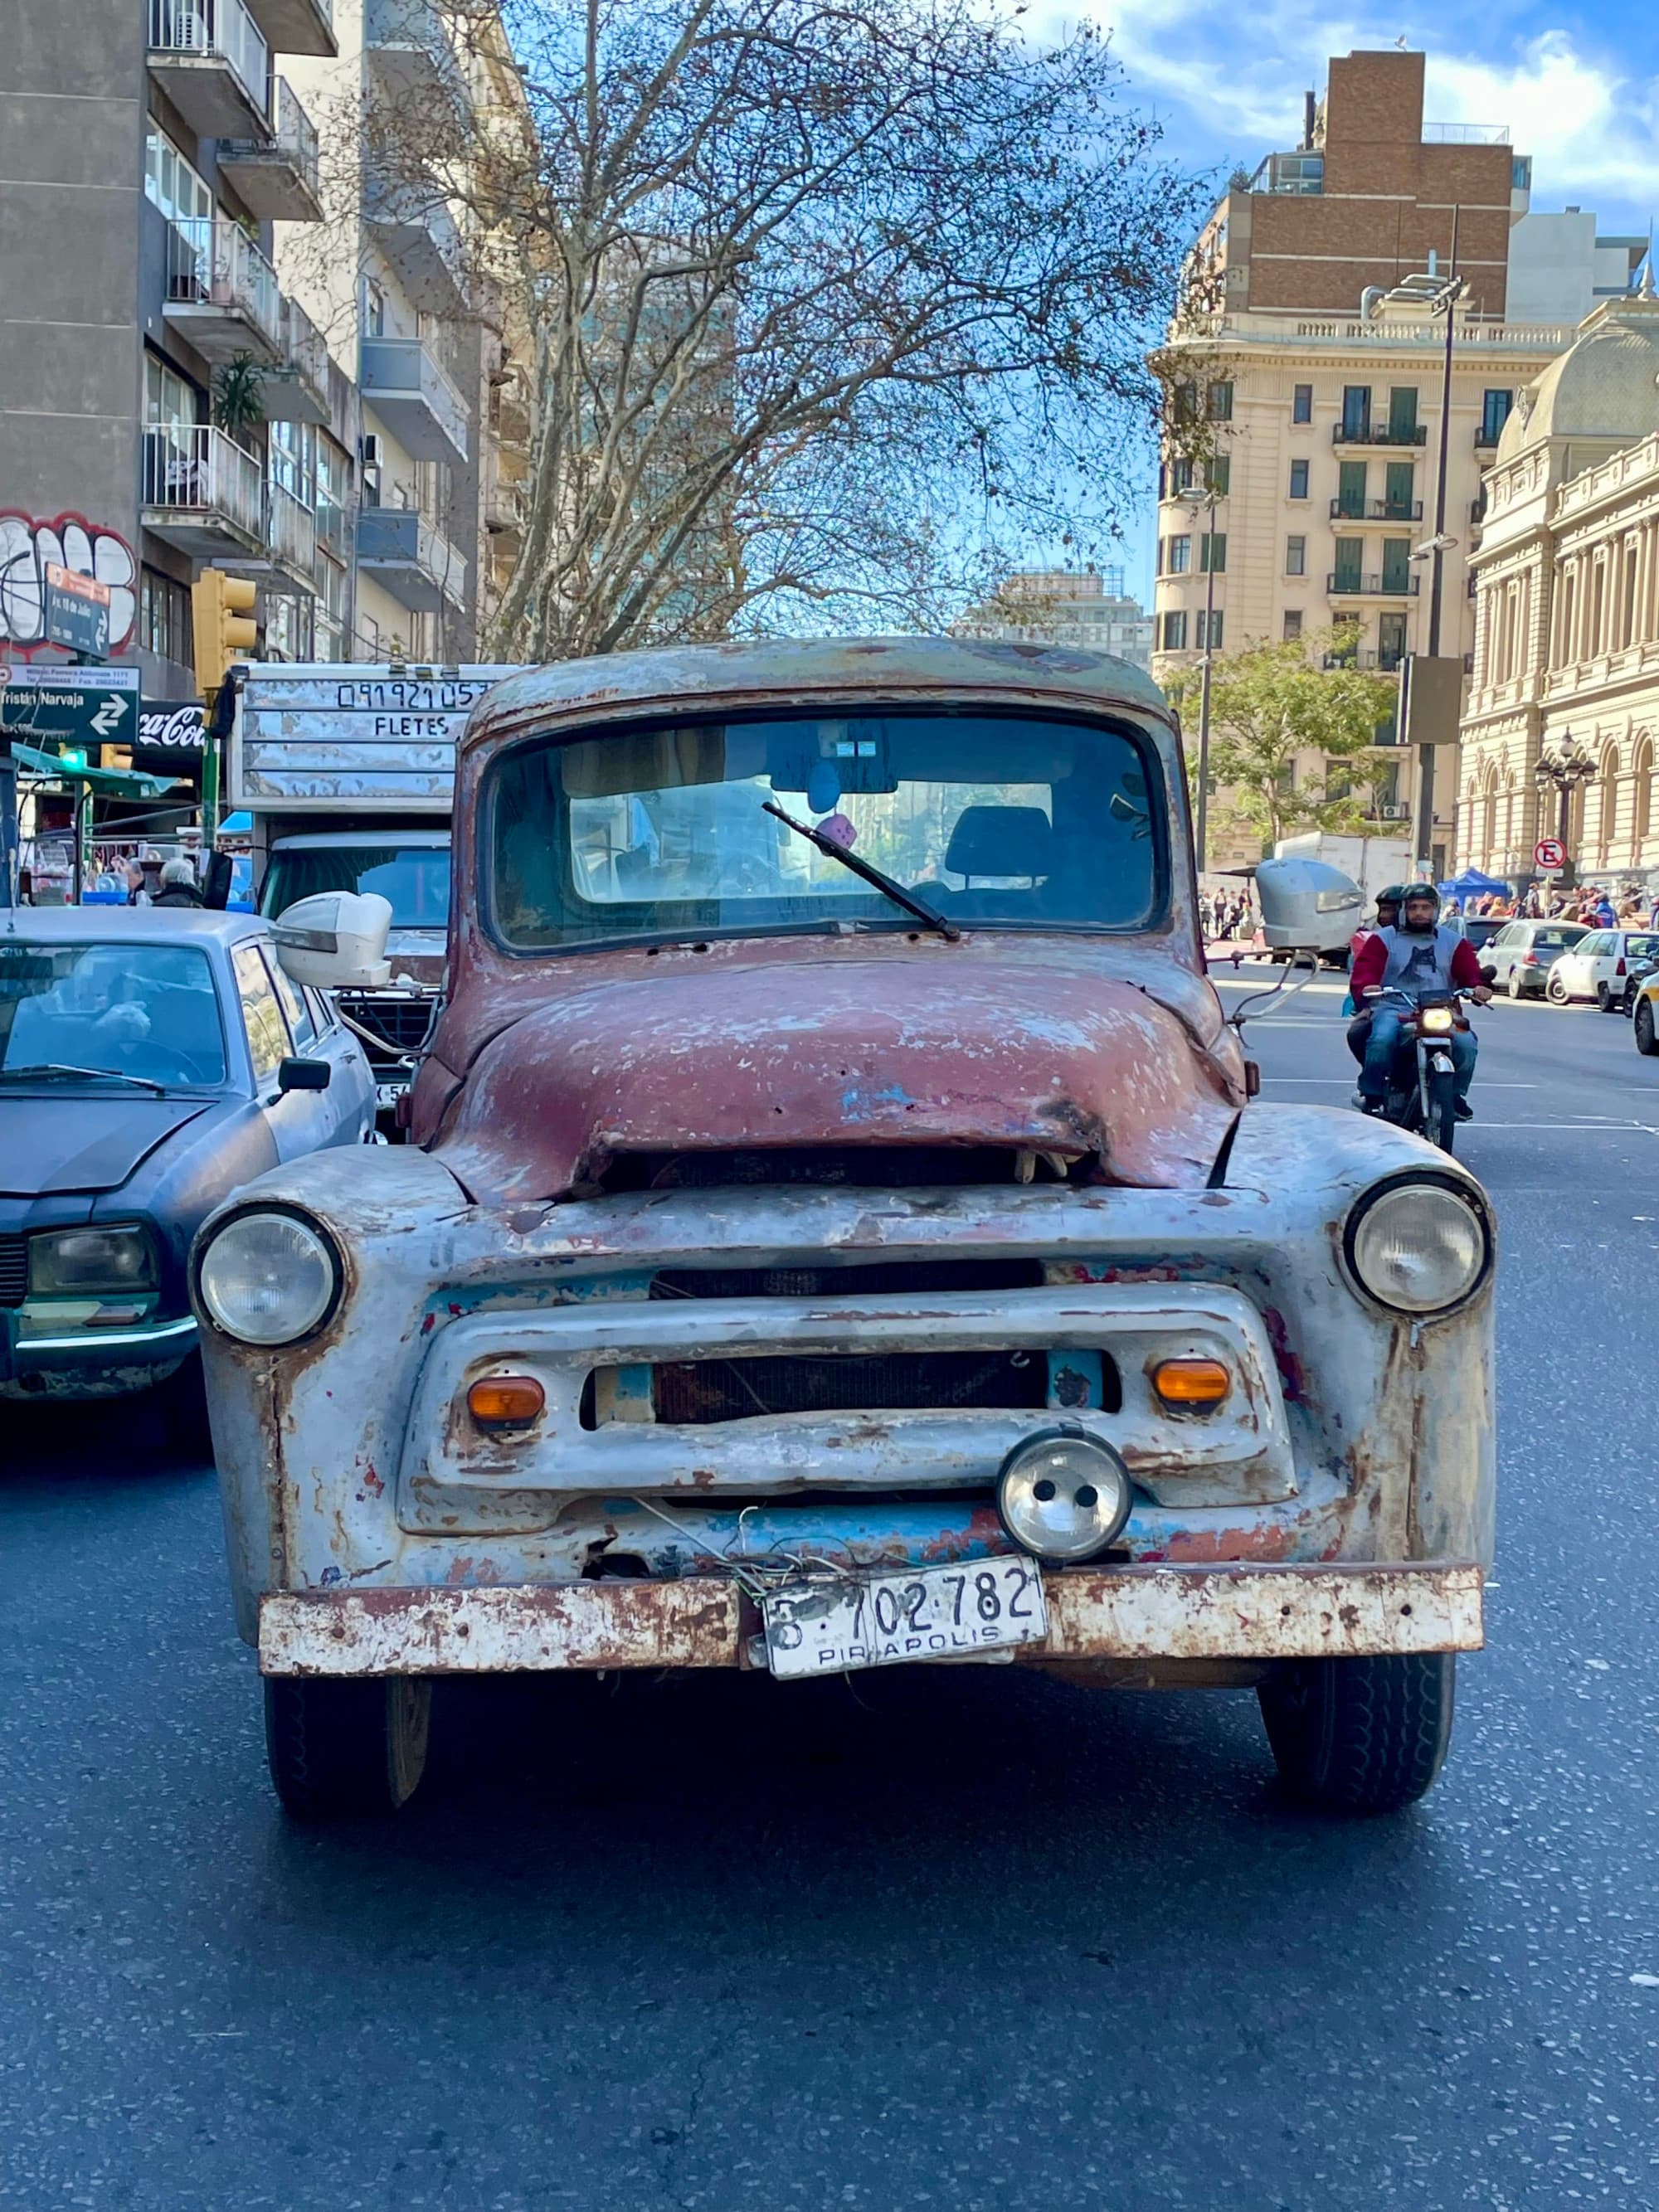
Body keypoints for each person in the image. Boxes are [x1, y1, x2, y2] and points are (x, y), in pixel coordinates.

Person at [1349, 883, 1492, 1119]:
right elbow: (1365, 973)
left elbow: (1470, 975)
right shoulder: (1382, 939)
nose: (1419, 913)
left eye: (1426, 907)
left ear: (1436, 910)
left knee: (1467, 1043)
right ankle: (1372, 1095)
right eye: (1413, 907)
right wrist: (1368, 986)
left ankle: (1455, 1095)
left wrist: (1478, 988)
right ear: (1403, 910)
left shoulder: (1454, 941)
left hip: (1441, 1009)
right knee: (1381, 1039)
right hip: (1394, 1006)